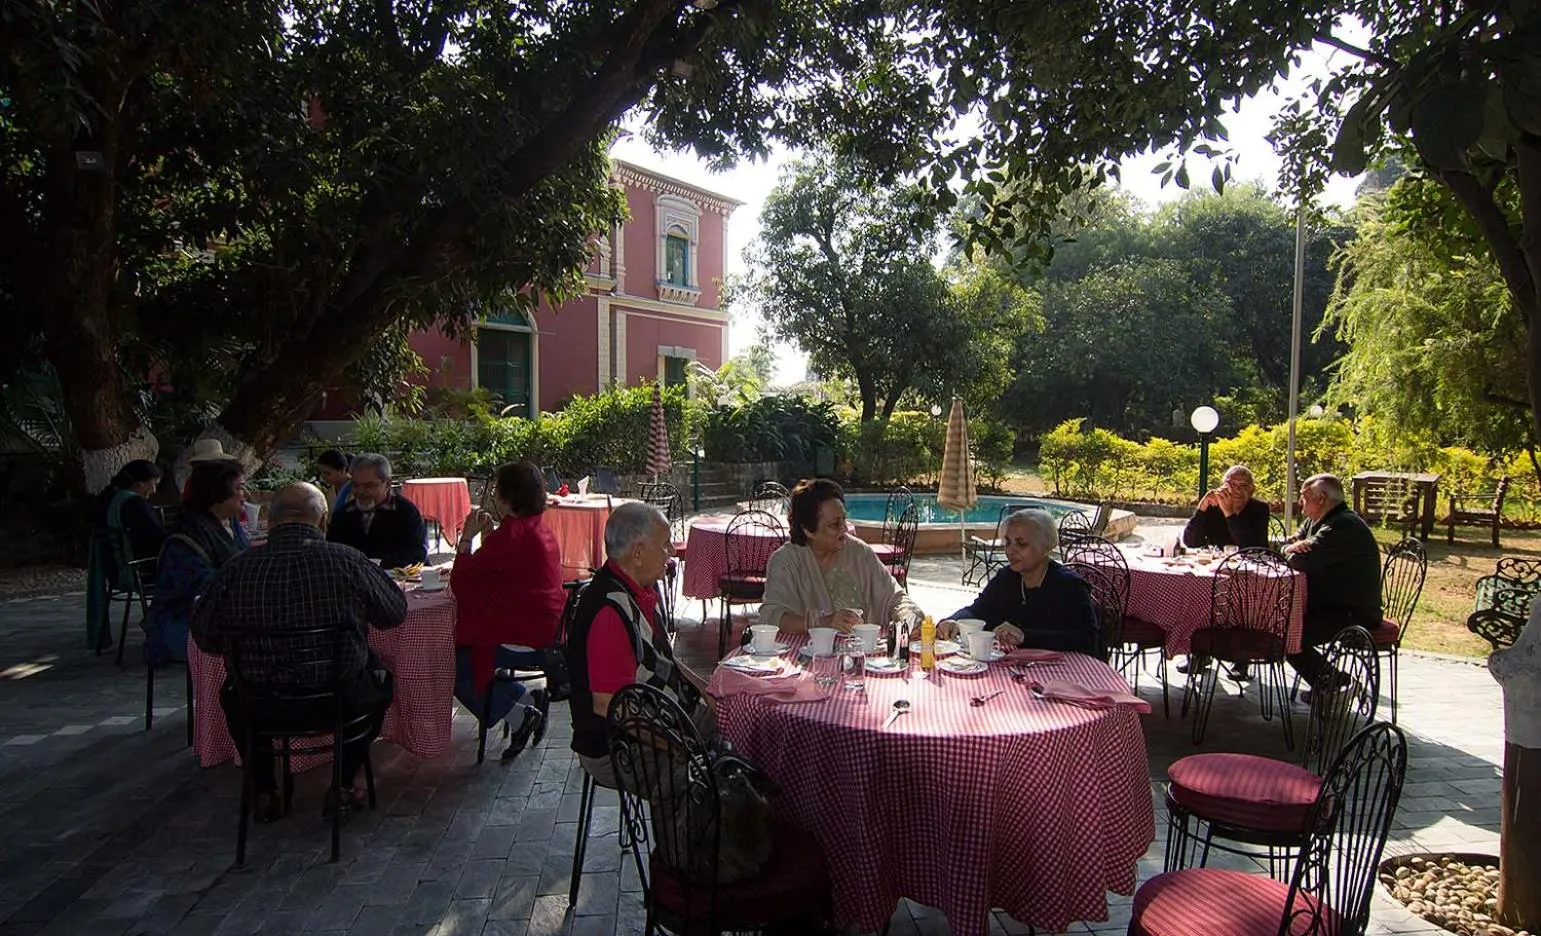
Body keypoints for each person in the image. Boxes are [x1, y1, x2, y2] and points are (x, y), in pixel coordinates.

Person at [192, 483, 406, 820]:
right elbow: (394, 613)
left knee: (234, 695)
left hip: (259, 706)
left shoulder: (236, 568)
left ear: (271, 522)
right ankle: (344, 784)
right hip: (338, 701)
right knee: (379, 680)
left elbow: (204, 637)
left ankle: (264, 789)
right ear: (322, 522)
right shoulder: (347, 561)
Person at [566, 502, 714, 787]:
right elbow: (612, 706)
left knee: (745, 725)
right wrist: (680, 747)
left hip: (665, 716)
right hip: (619, 747)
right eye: (665, 545)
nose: (671, 553)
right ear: (637, 553)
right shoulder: (610, 610)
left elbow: (663, 658)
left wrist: (706, 691)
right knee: (711, 785)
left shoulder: (640, 589)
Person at [450, 461, 564, 759]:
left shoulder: (511, 535)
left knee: (452, 663)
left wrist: (466, 537)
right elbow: (501, 573)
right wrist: (490, 534)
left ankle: (520, 712)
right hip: (548, 627)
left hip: (526, 635)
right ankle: (526, 700)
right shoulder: (540, 528)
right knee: (462, 656)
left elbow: (462, 583)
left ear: (505, 498)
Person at [760, 478, 922, 637]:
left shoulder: (859, 553)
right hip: (805, 659)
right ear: (808, 530)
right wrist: (823, 623)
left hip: (862, 655)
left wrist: (909, 618)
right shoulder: (785, 562)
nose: (844, 528)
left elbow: (895, 598)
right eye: (834, 524)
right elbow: (772, 617)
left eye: (844, 519)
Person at [937, 508, 1101, 656]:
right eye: (1008, 542)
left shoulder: (1069, 586)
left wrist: (1025, 636)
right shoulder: (1006, 578)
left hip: (1063, 674)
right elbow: (977, 610)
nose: (1010, 550)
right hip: (1009, 672)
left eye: (1021, 544)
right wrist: (954, 621)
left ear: (1045, 546)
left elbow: (1088, 640)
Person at [1282, 473, 1383, 694]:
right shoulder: (1316, 521)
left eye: (1304, 497)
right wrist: (1290, 548)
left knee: (1286, 632)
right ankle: (1330, 681)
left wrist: (1290, 551)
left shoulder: (1342, 526)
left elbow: (1300, 560)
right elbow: (1287, 547)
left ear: (1321, 498)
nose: (1300, 503)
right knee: (1280, 624)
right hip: (1329, 605)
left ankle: (1335, 682)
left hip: (1353, 612)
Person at [145, 458, 247, 666]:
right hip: (183, 623)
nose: (244, 495)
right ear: (218, 492)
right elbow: (201, 585)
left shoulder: (228, 522)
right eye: (238, 488)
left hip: (221, 614)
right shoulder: (187, 534)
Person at [86, 460, 168, 651]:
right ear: (139, 483)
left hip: (114, 569)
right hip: (138, 570)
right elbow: (156, 539)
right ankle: (161, 623)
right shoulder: (133, 503)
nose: (154, 490)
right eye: (153, 483)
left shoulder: (107, 498)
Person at [326, 452, 428, 568]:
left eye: (369, 486)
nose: (361, 492)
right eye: (355, 485)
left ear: (388, 484)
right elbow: (332, 553)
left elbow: (418, 554)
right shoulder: (343, 515)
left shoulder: (405, 511)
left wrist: (377, 563)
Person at [1183, 464, 1271, 550]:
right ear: (1223, 487)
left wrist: (1229, 513)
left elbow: (1249, 547)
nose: (1237, 490)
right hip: (1216, 562)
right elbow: (1191, 542)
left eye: (1244, 486)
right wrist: (1201, 507)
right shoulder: (1212, 507)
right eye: (1232, 485)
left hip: (1251, 563)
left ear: (1252, 489)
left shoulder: (1260, 509)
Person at [317, 449, 353, 514]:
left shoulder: (356, 487)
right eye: (321, 473)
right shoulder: (329, 490)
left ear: (342, 470)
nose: (323, 477)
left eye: (327, 473)